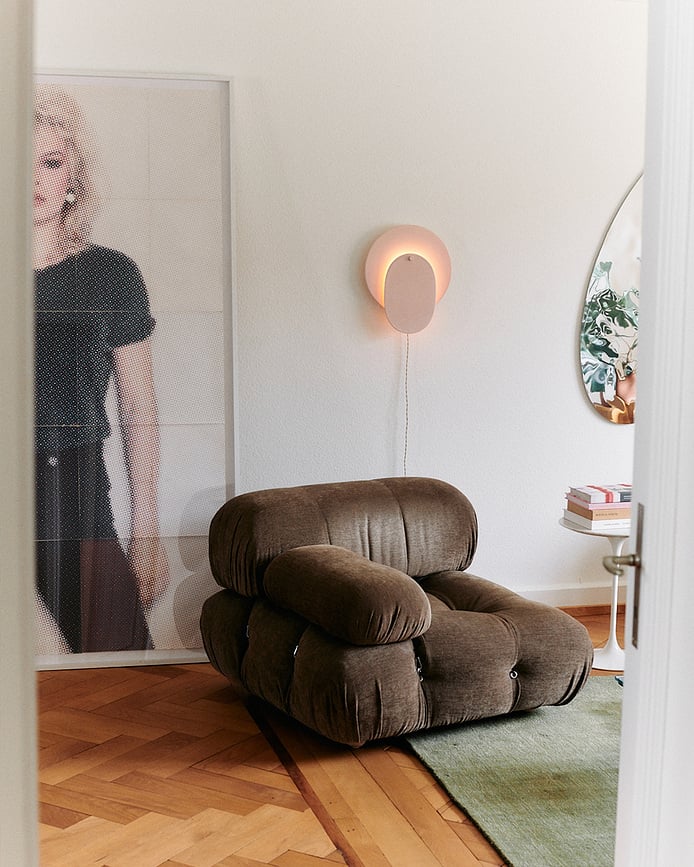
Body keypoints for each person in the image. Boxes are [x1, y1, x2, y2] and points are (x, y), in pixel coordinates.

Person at [33, 84, 169, 652]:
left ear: (74, 175)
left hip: (80, 494)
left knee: (123, 673)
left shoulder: (111, 275)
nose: (34, 180)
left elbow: (139, 409)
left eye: (50, 162)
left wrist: (147, 530)